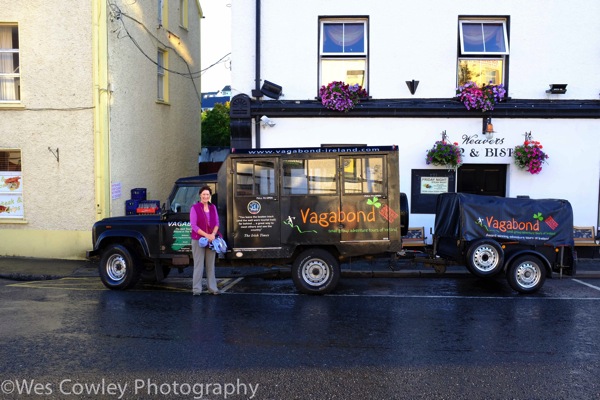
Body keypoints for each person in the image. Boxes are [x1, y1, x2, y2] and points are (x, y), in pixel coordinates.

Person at [190, 185, 221, 295]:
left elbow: (217, 223)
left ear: (210, 196)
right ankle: (197, 290)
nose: (205, 196)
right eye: (204, 194)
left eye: (207, 194)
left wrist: (212, 234)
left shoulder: (213, 207)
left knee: (210, 266)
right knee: (198, 265)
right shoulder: (195, 208)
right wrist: (207, 235)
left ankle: (213, 288)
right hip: (198, 239)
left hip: (211, 239)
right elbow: (194, 226)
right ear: (200, 195)